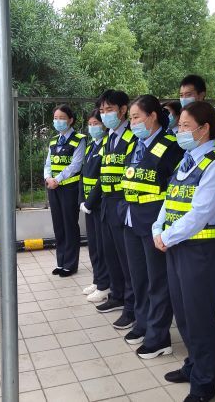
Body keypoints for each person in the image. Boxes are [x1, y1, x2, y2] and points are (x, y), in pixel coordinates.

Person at [153, 101, 215, 402]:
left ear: (204, 128)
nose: (180, 131)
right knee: (184, 314)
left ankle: (204, 382)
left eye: (186, 126)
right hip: (177, 246)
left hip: (201, 251)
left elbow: (200, 214)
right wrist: (157, 229)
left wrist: (166, 236)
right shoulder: (186, 161)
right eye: (179, 126)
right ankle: (193, 365)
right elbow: (169, 199)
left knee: (200, 318)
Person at [120, 95, 183, 359]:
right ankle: (143, 324)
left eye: (136, 117)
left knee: (157, 281)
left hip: (155, 222)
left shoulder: (171, 146)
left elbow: (175, 187)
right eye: (131, 118)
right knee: (139, 278)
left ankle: (159, 337)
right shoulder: (134, 145)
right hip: (131, 218)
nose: (132, 123)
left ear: (153, 116)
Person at [83, 89, 136, 330]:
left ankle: (131, 306)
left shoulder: (132, 138)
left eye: (109, 110)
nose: (105, 115)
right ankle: (117, 295)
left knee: (127, 259)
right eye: (102, 110)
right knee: (111, 254)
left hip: (122, 203)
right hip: (107, 202)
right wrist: (92, 201)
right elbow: (102, 174)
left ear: (123, 110)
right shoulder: (108, 139)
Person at [44, 104, 86, 277]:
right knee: (59, 225)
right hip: (53, 188)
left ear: (70, 120)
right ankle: (60, 262)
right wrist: (48, 178)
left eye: (62, 118)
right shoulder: (54, 140)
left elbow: (76, 165)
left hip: (69, 188)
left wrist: (58, 179)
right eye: (56, 118)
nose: (58, 121)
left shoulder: (79, 139)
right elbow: (48, 163)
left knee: (70, 225)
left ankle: (70, 264)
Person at [79, 108, 111, 303]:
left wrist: (90, 202)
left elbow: (102, 178)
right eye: (90, 124)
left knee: (102, 246)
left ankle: (105, 284)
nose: (92, 127)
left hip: (99, 203)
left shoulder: (107, 145)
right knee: (93, 246)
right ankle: (97, 279)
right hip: (88, 204)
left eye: (96, 124)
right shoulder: (91, 146)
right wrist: (82, 200)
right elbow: (83, 175)